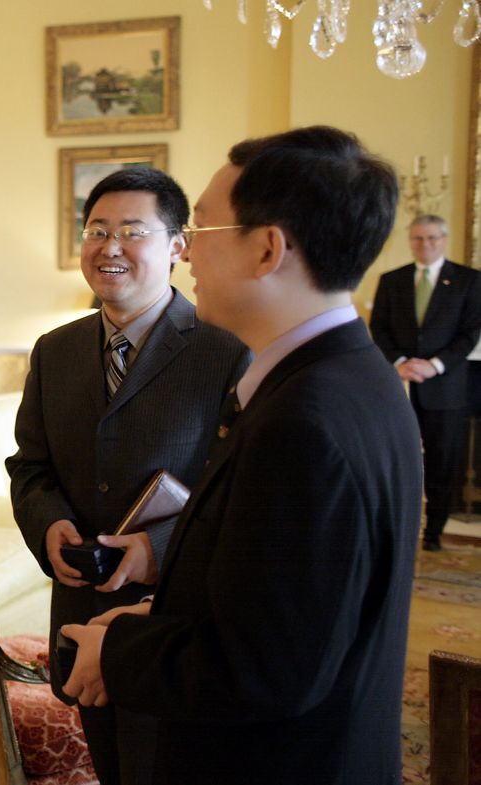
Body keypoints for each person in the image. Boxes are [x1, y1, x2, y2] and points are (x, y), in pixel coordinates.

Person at [61, 126, 423, 785]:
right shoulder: (355, 376)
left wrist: (119, 651)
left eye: (200, 227)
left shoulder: (306, 422)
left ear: (266, 248)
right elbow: (291, 604)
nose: (187, 250)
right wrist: (162, 613)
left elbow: (263, 669)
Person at [6, 167, 248, 784]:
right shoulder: (54, 350)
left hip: (175, 620)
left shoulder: (227, 349)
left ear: (177, 246)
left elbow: (241, 491)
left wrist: (154, 550)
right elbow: (29, 466)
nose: (109, 247)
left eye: (132, 232)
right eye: (96, 230)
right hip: (81, 611)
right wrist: (48, 524)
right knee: (111, 765)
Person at [369, 213, 481, 551]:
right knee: (396, 460)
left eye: (432, 238)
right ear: (411, 241)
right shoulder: (392, 279)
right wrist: (401, 363)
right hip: (399, 386)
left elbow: (470, 333)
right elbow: (380, 328)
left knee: (441, 463)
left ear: (443, 240)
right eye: (418, 238)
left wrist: (434, 365)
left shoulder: (468, 281)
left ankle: (433, 534)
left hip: (445, 389)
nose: (425, 244)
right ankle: (395, 529)